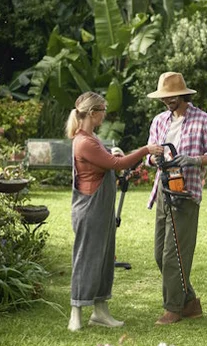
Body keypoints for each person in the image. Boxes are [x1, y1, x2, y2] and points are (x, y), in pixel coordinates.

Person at [67, 91, 164, 331]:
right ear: (92, 113)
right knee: (86, 259)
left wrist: (113, 154)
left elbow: (107, 161)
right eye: (102, 112)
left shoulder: (91, 138)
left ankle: (100, 312)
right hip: (90, 208)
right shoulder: (84, 141)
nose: (105, 116)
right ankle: (76, 313)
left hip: (100, 208)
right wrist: (145, 150)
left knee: (103, 258)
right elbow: (117, 165)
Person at [144, 72, 207, 325]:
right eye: (163, 97)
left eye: (171, 96)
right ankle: (190, 303)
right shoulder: (159, 121)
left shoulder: (204, 121)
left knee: (175, 254)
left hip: (186, 193)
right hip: (163, 192)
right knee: (161, 254)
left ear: (182, 95)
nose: (167, 101)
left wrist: (194, 160)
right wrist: (153, 159)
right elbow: (149, 153)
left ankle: (173, 308)